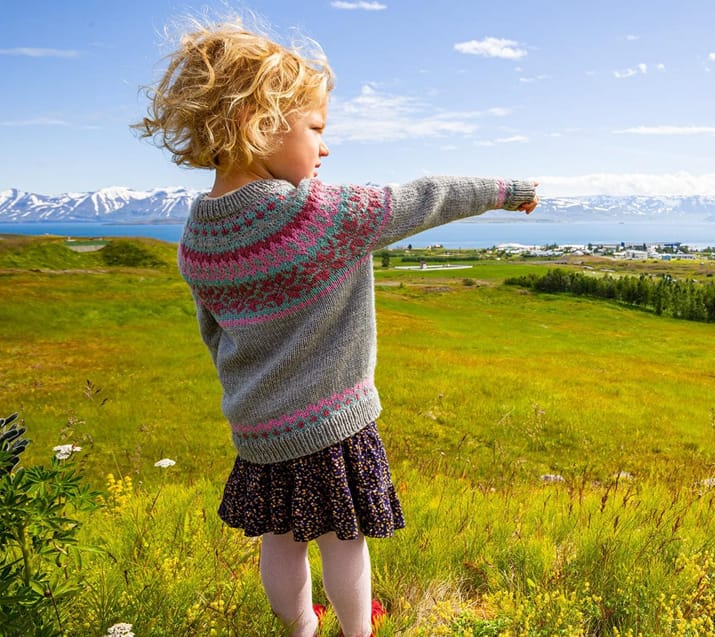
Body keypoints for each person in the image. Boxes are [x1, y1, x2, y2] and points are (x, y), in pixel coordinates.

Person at [132, 17, 538, 637]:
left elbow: (213, 333)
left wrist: (249, 395)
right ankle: (358, 632)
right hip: (330, 420)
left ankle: (299, 629)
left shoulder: (196, 237)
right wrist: (507, 191)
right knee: (343, 537)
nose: (325, 148)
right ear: (259, 124)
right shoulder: (322, 214)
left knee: (280, 537)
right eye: (316, 129)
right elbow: (426, 196)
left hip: (259, 424)